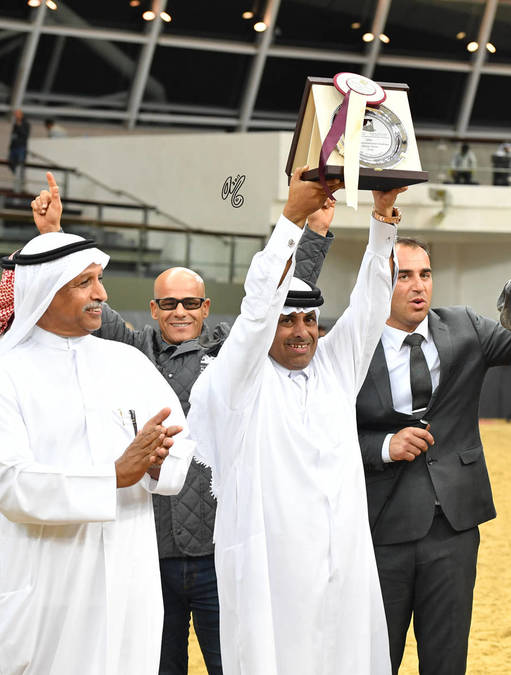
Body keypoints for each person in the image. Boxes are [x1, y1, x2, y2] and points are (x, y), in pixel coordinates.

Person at [24, 170, 336, 675]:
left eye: (190, 302)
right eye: (168, 303)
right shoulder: (130, 349)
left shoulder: (229, 347)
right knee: (157, 664)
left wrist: (314, 233)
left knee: (228, 663)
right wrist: (51, 237)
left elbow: (275, 299)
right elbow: (74, 298)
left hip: (218, 549)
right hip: (150, 550)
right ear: (153, 309)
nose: (180, 311)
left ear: (205, 306)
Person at [188, 167, 402, 675]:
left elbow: (371, 306)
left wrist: (382, 215)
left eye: (309, 319)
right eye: (289, 320)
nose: (302, 331)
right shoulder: (241, 380)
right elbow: (257, 310)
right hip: (274, 576)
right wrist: (290, 219)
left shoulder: (335, 367)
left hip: (342, 569)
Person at [356, 237, 511, 674]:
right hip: (377, 527)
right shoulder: (351, 346)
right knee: (375, 658)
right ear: (380, 282)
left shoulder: (465, 326)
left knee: (447, 659)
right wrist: (382, 446)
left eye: (426, 274)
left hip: (453, 527)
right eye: (404, 276)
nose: (419, 286)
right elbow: (323, 432)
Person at [0, 230, 194, 674]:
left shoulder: (126, 363)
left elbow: (178, 442)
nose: (101, 295)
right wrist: (113, 477)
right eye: (84, 282)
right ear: (46, 290)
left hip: (130, 570)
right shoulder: (7, 371)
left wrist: (159, 462)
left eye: (99, 279)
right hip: (48, 581)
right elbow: (10, 483)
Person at [8, 108, 29, 192]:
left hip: (21, 147)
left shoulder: (25, 124)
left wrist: (19, 126)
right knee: (10, 162)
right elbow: (13, 135)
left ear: (21, 115)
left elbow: (25, 135)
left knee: (19, 165)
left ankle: (20, 178)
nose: (16, 116)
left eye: (17, 114)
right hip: (14, 147)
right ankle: (18, 175)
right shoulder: (15, 124)